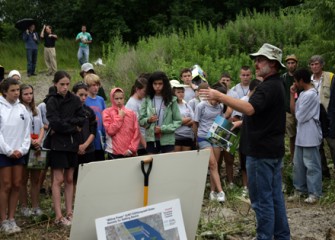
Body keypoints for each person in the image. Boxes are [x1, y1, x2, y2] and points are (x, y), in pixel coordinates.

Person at [199, 43, 290, 239]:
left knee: (262, 201)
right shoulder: (278, 84)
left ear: (273, 64)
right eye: (256, 60)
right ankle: (282, 236)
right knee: (275, 198)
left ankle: (265, 237)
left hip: (261, 153)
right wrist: (243, 123)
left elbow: (249, 108)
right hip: (272, 151)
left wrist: (220, 95)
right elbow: (264, 115)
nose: (256, 63)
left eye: (261, 60)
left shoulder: (267, 87)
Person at [46, 71, 85, 226]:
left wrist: (68, 124)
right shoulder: (51, 101)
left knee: (69, 178)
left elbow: (82, 119)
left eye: (67, 84)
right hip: (57, 144)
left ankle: (69, 212)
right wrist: (72, 126)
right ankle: (58, 216)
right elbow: (54, 123)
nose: (65, 87)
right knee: (58, 179)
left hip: (72, 144)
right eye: (62, 84)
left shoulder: (75, 99)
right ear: (55, 84)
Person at [0, 78, 31, 234]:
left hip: (19, 152)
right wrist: (8, 150)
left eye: (17, 90)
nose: (16, 93)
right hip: (4, 153)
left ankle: (12, 218)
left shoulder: (22, 108)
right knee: (6, 185)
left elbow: (26, 131)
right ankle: (3, 220)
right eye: (12, 90)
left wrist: (22, 149)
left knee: (17, 184)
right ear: (5, 91)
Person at [288, 68, 322, 204]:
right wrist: (292, 94)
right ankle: (300, 189)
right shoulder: (302, 94)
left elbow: (299, 116)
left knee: (312, 165)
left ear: (301, 80)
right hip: (301, 135)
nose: (295, 83)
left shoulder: (311, 94)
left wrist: (297, 113)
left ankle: (314, 192)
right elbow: (293, 111)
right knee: (299, 165)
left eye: (296, 81)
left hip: (310, 134)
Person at [194, 84, 227, 202]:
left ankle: (212, 192)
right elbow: (195, 123)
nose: (217, 100)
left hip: (215, 136)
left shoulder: (220, 106)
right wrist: (196, 138)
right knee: (212, 163)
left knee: (215, 165)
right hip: (203, 137)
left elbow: (221, 121)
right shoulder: (201, 106)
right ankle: (221, 191)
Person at [139, 71, 182, 154]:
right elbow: (140, 120)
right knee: (152, 164)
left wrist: (162, 129)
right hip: (151, 139)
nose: (157, 86)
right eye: (155, 84)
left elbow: (178, 121)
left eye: (160, 84)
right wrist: (148, 120)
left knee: (168, 164)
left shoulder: (172, 100)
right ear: (151, 84)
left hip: (168, 140)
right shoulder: (147, 99)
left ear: (165, 84)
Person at [19, 84, 45, 217]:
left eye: (31, 93)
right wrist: (30, 141)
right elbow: (20, 130)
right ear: (20, 95)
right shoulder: (19, 109)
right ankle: (23, 206)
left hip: (36, 146)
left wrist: (39, 140)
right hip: (25, 146)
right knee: (23, 179)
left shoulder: (36, 109)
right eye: (26, 94)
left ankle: (35, 206)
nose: (29, 96)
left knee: (35, 178)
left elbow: (41, 127)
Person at [309, 55, 334, 179]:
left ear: (322, 65)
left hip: (328, 115)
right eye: (312, 64)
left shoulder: (330, 77)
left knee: (332, 143)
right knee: (318, 146)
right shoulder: (308, 80)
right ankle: (325, 174)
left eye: (317, 64)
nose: (314, 66)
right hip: (314, 115)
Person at [103, 88, 140, 159]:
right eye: (116, 99)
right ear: (112, 99)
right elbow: (110, 131)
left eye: (121, 98)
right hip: (113, 152)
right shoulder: (107, 112)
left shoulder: (131, 113)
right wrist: (120, 117)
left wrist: (131, 149)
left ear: (124, 99)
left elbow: (136, 132)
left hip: (130, 152)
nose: (119, 101)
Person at [72, 82, 97, 182]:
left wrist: (85, 145)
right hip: (73, 149)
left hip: (88, 148)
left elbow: (93, 130)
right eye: (80, 95)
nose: (83, 98)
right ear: (74, 94)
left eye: (85, 95)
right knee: (73, 178)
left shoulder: (89, 111)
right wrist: (77, 146)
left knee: (88, 178)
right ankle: (73, 197)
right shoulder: (69, 111)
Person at [84, 73, 106, 161]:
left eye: (97, 85)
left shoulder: (100, 100)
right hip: (89, 136)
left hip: (100, 136)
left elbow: (104, 116)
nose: (96, 87)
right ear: (88, 86)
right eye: (93, 85)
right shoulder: (85, 99)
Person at [282, 54, 298, 162]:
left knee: (301, 134)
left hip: (302, 109)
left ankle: (298, 157)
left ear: (296, 64)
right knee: (292, 135)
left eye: (293, 63)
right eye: (289, 63)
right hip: (288, 110)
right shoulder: (283, 78)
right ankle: (292, 158)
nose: (291, 65)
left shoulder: (300, 76)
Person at [125, 77, 148, 155]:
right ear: (137, 89)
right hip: (139, 144)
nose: (146, 93)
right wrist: (145, 145)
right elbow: (136, 127)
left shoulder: (143, 99)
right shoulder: (131, 104)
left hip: (147, 138)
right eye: (144, 91)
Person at [170, 80, 194, 152]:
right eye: (178, 92)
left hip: (187, 136)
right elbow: (173, 121)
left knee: (185, 160)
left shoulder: (187, 105)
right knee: (176, 159)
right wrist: (187, 120)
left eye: (182, 92)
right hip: (176, 136)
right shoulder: (172, 106)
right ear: (174, 93)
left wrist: (182, 121)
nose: (181, 94)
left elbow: (193, 120)